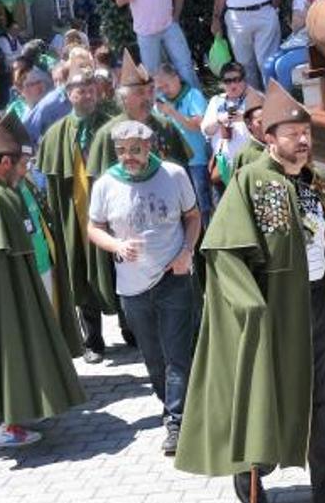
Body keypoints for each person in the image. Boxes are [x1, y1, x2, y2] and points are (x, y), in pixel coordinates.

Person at [176, 81, 325, 503]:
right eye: (292, 133)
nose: (303, 141)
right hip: (271, 310)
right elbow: (222, 249)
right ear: (269, 137)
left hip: (317, 303)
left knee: (318, 395)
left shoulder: (315, 183)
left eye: (306, 133)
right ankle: (251, 471)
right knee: (268, 393)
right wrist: (251, 304)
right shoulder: (249, 181)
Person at [0, 115, 86, 448]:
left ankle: (9, 417)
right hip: (1, 295)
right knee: (4, 349)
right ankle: (2, 428)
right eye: (22, 164)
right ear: (5, 161)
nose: (25, 171)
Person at [87, 120, 201, 457]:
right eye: (121, 151)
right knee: (153, 358)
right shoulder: (106, 184)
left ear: (149, 147)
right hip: (132, 285)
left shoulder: (173, 174)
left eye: (134, 150)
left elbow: (193, 216)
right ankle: (172, 408)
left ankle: (177, 423)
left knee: (177, 354)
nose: (127, 157)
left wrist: (186, 252)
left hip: (174, 276)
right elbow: (94, 227)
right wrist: (116, 246)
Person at [85, 51, 192, 319]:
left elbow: (184, 177)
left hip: (170, 233)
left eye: (150, 91)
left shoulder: (165, 127)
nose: (147, 98)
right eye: (140, 92)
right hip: (128, 239)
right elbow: (99, 197)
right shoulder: (107, 135)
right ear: (123, 97)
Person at [38, 69, 115, 364]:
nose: (87, 95)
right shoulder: (56, 134)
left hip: (110, 215)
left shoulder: (110, 127)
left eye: (91, 89)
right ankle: (93, 339)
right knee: (81, 272)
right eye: (80, 90)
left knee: (117, 267)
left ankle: (129, 327)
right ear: (68, 94)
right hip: (75, 217)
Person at [153, 62, 212, 225]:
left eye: (167, 84)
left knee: (202, 204)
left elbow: (196, 125)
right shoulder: (159, 103)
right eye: (160, 87)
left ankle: (208, 242)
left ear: (177, 78)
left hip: (196, 160)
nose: (164, 90)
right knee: (182, 207)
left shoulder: (193, 95)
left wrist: (172, 112)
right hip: (173, 163)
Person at [201, 62, 254, 180]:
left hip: (250, 162)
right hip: (224, 165)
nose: (232, 85)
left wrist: (244, 118)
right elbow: (206, 130)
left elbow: (265, 127)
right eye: (228, 81)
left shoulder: (254, 98)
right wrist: (220, 120)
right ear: (222, 84)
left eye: (236, 79)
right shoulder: (216, 100)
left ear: (244, 80)